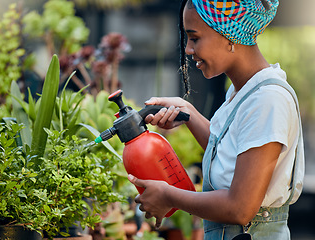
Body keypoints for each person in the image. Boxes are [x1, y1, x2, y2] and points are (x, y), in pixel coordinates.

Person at [127, 0, 305, 239]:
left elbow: (240, 208)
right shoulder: (242, 93)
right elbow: (230, 154)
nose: (188, 49)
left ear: (228, 36)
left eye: (195, 38)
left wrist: (169, 195)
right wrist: (188, 113)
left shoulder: (268, 100)